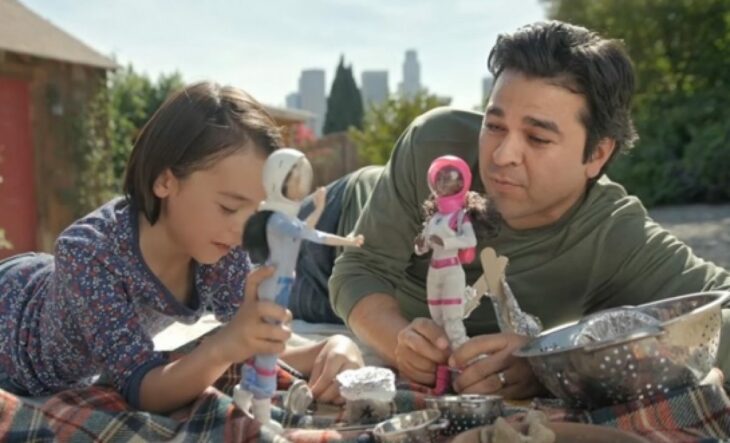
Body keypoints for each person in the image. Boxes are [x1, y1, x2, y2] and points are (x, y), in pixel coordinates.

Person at [325, 21, 730, 399]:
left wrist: (549, 362)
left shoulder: (616, 234)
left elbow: (721, 311)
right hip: (332, 227)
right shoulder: (435, 144)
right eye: (494, 125)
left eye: (537, 137)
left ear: (598, 154)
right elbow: (359, 270)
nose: (502, 155)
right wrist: (399, 343)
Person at [0, 82, 363, 414]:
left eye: (256, 211)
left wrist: (330, 349)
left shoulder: (219, 244)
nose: (243, 228)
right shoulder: (91, 256)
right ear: (164, 180)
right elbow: (141, 388)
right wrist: (223, 346)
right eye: (228, 206)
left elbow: (253, 340)